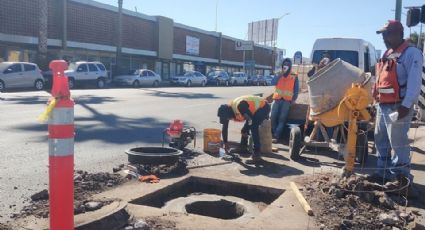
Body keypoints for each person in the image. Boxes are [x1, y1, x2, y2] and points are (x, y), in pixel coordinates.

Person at [372, 20, 423, 186]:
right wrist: (375, 100)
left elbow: (415, 83)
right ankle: (383, 173)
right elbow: (380, 78)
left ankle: (401, 179)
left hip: (398, 106)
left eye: (386, 34)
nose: (384, 38)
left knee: (398, 141)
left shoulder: (411, 53)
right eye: (383, 35)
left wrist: (405, 106)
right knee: (381, 139)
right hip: (382, 105)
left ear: (396, 34)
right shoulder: (387, 53)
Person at [217, 95, 271, 162]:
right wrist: (225, 143)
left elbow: (250, 120)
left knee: (253, 127)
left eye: (228, 118)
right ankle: (243, 147)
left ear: (229, 114)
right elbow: (225, 127)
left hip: (263, 107)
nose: (228, 120)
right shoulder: (228, 110)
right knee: (244, 130)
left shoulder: (240, 106)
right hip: (253, 112)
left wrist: (246, 130)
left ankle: (257, 154)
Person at [270, 58, 299, 142]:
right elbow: (272, 83)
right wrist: (280, 74)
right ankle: (274, 131)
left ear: (290, 66)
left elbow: (296, 89)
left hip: (287, 101)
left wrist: (294, 99)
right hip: (277, 99)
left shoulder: (294, 75)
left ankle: (276, 135)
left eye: (287, 64)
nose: (286, 66)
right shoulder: (279, 74)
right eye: (284, 64)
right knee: (272, 117)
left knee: (282, 119)